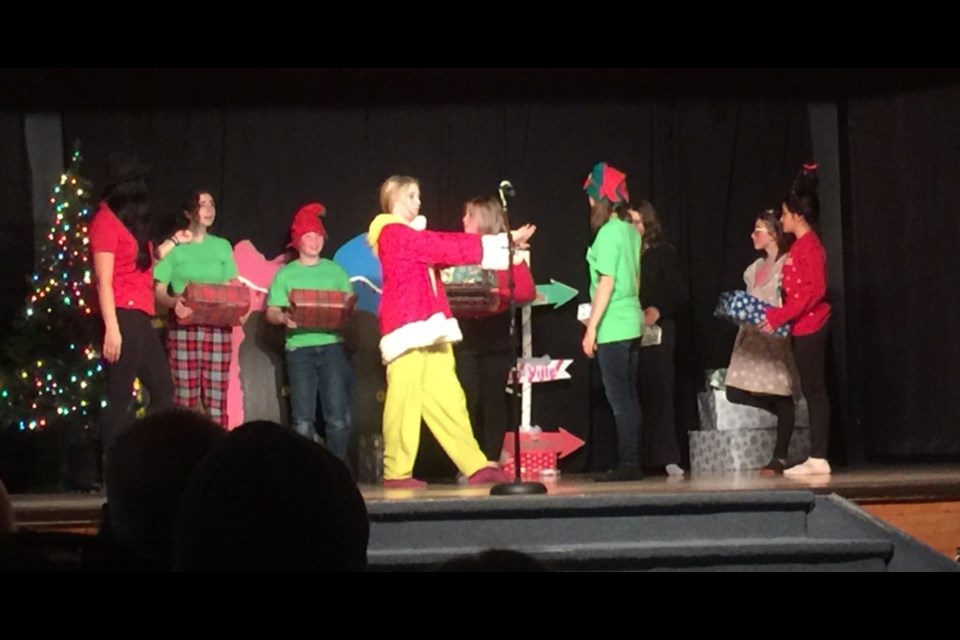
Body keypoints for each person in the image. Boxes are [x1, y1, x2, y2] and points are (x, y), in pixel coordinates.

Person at [367, 175, 533, 488]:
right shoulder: (391, 233)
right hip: (406, 324)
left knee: (449, 399)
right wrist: (502, 242)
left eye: (418, 196)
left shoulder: (411, 236)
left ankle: (474, 464)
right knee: (403, 401)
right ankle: (396, 471)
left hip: (431, 325)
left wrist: (503, 248)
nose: (418, 202)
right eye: (412, 196)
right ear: (396, 199)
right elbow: (442, 247)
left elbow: (445, 253)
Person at [89, 151, 174, 456]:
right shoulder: (105, 223)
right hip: (123, 315)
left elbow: (144, 264)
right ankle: (114, 467)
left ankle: (142, 456)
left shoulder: (132, 226)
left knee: (164, 393)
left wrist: (175, 242)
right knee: (119, 396)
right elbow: (104, 280)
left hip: (140, 314)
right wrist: (112, 329)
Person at [265, 203, 355, 463]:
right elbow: (272, 311)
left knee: (337, 416)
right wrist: (283, 317)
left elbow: (348, 305)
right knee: (302, 418)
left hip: (332, 346)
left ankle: (338, 468)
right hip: (299, 349)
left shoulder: (335, 271)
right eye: (308, 236)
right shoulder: (287, 274)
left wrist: (345, 312)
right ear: (297, 240)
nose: (314, 241)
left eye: (318, 236)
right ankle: (305, 472)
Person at [759, 163, 832, 476]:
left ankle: (819, 456)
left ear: (798, 216)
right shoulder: (801, 246)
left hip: (812, 326)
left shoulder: (810, 247)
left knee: (815, 391)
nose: (782, 218)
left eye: (786, 214)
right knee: (811, 390)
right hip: (802, 326)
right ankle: (817, 455)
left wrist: (779, 316)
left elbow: (812, 292)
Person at [455, 195, 536, 460]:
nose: (463, 220)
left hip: (496, 338)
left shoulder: (507, 252)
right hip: (466, 338)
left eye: (470, 215)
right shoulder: (461, 249)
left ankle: (490, 458)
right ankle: (469, 460)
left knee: (493, 401)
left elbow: (525, 291)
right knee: (466, 400)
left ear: (484, 218)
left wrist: (494, 293)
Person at [153, 189, 240, 427]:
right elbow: (160, 291)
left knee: (216, 404)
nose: (209, 210)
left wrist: (233, 298)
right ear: (189, 212)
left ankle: (220, 457)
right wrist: (173, 303)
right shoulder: (177, 246)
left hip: (217, 329)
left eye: (212, 204)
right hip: (184, 329)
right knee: (185, 401)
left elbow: (232, 283)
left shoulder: (222, 246)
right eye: (202, 205)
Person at [725, 209, 798, 475]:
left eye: (759, 230)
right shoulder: (753, 269)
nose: (753, 235)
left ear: (774, 233)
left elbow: (788, 300)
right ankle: (785, 419)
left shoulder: (786, 264)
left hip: (774, 336)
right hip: (751, 337)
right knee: (734, 390)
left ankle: (779, 457)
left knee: (781, 394)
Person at [582, 162, 643, 482]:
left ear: (601, 199)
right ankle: (631, 460)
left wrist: (591, 328)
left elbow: (607, 283)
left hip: (614, 324)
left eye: (592, 198)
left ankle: (629, 463)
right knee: (629, 397)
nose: (590, 204)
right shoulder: (630, 232)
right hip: (632, 321)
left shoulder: (607, 233)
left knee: (620, 399)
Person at [627, 200, 685, 476]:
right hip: (630, 331)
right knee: (633, 393)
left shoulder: (663, 253)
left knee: (660, 392)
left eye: (638, 222)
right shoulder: (626, 254)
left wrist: (657, 311)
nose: (634, 228)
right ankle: (635, 457)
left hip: (659, 332)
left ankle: (668, 456)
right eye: (630, 222)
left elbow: (678, 293)